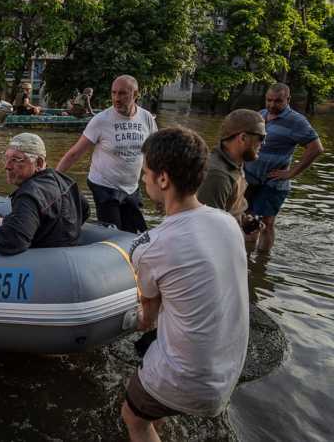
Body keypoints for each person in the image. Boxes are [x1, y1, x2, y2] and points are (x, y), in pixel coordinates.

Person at [121, 127, 249, 442]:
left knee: (132, 415)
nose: (143, 180)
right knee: (154, 404)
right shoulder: (227, 223)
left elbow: (147, 319)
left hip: (189, 378)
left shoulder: (150, 246)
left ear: (163, 179)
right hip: (228, 368)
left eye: (146, 172)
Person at [0, 133, 89, 254]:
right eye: (7, 158)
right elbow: (85, 210)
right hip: (67, 248)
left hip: (42, 258)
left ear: (38, 163)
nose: (7, 166)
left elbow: (15, 240)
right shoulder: (64, 180)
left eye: (16, 160)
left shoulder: (29, 195)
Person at [57, 75, 157, 233]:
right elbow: (75, 153)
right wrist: (53, 179)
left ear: (136, 94)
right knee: (113, 233)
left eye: (123, 93)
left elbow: (154, 152)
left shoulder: (146, 118)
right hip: (104, 186)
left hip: (131, 187)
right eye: (114, 93)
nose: (117, 98)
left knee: (137, 233)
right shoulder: (101, 120)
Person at [244, 83, 324, 252]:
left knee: (266, 222)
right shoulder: (261, 114)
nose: (272, 105)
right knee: (248, 220)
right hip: (250, 178)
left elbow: (316, 148)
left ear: (288, 99)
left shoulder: (297, 121)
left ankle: (262, 262)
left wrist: (292, 172)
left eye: (278, 101)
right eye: (269, 100)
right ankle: (249, 264)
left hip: (273, 182)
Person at [197, 108, 266, 226]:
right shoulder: (217, 175)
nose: (263, 143)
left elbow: (230, 209)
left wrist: (244, 221)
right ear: (243, 138)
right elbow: (206, 228)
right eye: (261, 137)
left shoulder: (235, 164)